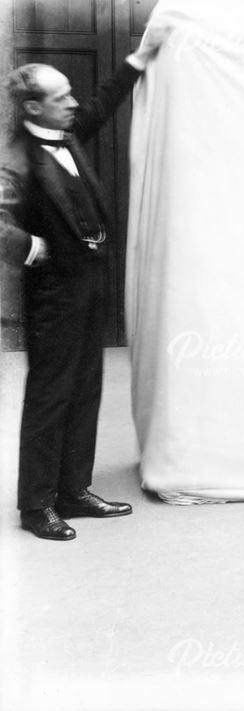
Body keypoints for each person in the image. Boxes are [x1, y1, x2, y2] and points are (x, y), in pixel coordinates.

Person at [0, 24, 170, 539]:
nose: (73, 101)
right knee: (51, 396)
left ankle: (73, 492)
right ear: (33, 108)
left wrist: (138, 59)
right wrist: (29, 246)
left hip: (89, 285)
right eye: (61, 96)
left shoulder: (68, 133)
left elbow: (100, 103)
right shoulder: (16, 159)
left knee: (87, 389)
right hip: (53, 294)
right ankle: (35, 507)